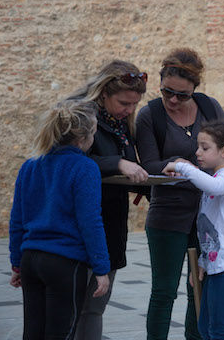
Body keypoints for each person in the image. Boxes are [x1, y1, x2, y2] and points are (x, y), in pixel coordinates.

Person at [135, 48, 224, 340]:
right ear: (160, 83)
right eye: (167, 92)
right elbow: (148, 164)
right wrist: (173, 165)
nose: (173, 100)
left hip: (208, 215)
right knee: (163, 291)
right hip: (167, 215)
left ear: (195, 90)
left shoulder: (210, 108)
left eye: (182, 95)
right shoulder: (150, 115)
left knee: (199, 288)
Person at [9, 99, 111, 340]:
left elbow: (17, 219)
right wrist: (101, 268)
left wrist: (16, 262)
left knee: (32, 332)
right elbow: (90, 221)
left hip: (31, 259)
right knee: (61, 332)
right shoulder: (84, 167)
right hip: (65, 263)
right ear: (83, 138)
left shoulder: (30, 166)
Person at [67, 60, 149, 340]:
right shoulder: (76, 115)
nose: (129, 110)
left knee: (94, 309)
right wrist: (117, 163)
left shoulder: (119, 121)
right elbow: (68, 161)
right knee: (70, 311)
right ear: (104, 93)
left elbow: (128, 162)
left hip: (111, 224)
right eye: (124, 103)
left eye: (134, 105)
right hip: (78, 225)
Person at [162, 121, 224, 340]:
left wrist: (182, 166)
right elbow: (211, 231)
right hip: (216, 265)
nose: (197, 152)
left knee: (219, 331)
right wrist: (203, 261)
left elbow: (214, 187)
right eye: (198, 146)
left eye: (204, 147)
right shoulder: (214, 178)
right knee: (204, 328)